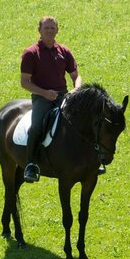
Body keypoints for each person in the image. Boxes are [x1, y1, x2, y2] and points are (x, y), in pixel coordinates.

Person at [20, 16, 83, 182]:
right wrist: (44, 93)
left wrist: (76, 89)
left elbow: (76, 76)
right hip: (42, 98)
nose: (49, 31)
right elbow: (24, 82)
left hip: (64, 95)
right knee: (37, 126)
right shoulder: (31, 53)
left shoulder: (64, 51)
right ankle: (30, 164)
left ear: (57, 30)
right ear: (39, 30)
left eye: (52, 28)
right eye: (46, 28)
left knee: (82, 120)